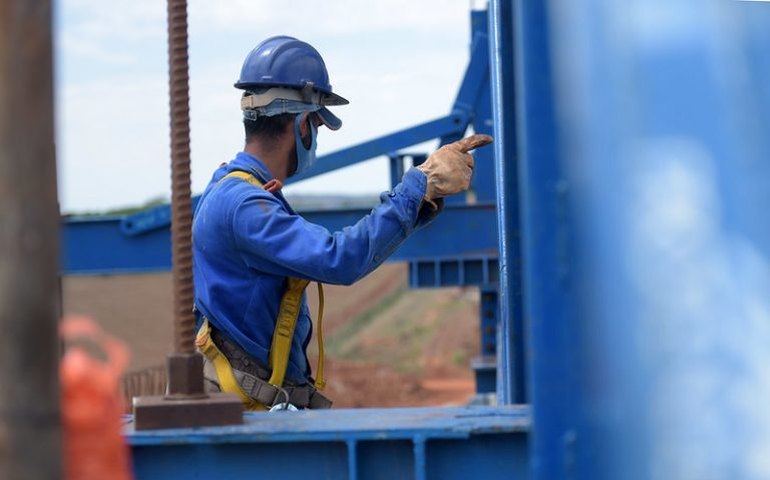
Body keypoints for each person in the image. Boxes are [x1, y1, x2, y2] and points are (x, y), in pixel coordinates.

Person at [192, 35, 492, 411]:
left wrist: (420, 203)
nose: (315, 138)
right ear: (303, 125)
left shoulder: (232, 188)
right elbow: (339, 259)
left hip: (247, 402)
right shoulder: (243, 205)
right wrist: (420, 185)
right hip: (246, 412)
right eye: (318, 126)